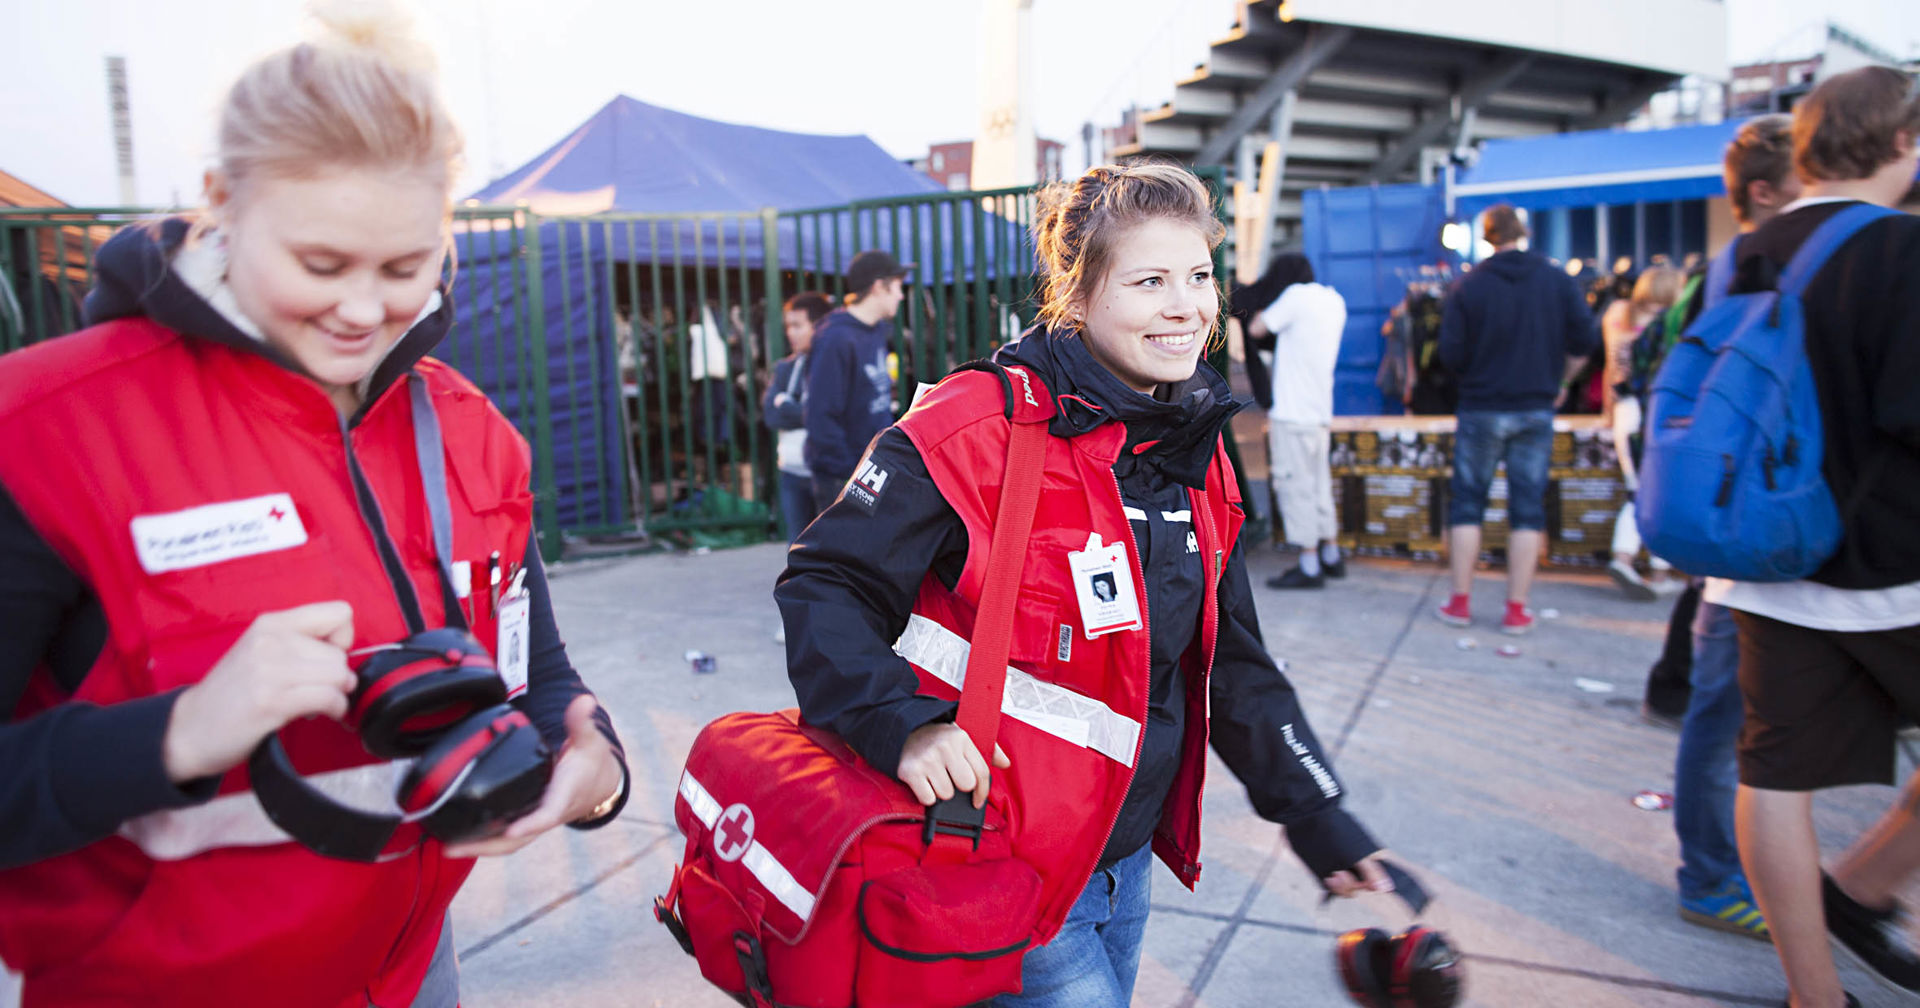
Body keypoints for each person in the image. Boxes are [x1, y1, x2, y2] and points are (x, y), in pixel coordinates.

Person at [0, 8, 629, 1005]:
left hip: (417, 972)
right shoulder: (44, 429)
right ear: (221, 203)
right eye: (321, 265)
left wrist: (597, 770)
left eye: (405, 266)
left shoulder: (471, 435)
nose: (363, 311)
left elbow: (538, 675)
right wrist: (178, 733)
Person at [776, 161, 1392, 1008]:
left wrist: (1317, 813)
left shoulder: (1199, 453)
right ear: (1079, 291)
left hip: (1123, 865)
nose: (1188, 307)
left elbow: (1230, 660)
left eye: (1200, 276)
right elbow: (823, 584)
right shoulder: (973, 428)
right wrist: (904, 728)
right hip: (996, 864)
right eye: (1150, 281)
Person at [1704, 68, 1920, 1008]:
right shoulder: (1902, 251)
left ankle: (1814, 993)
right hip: (1892, 566)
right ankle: (1864, 886)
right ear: (1902, 142)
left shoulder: (1754, 249)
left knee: (1775, 776)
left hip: (1766, 565)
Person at [1666, 112, 1802, 945]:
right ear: (1764, 189)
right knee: (1722, 717)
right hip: (1747, 531)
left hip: (1742, 527)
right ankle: (1712, 873)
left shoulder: (1739, 268)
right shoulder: (1755, 266)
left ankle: (1731, 870)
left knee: (1735, 718)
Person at [1435, 204, 1595, 634]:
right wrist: (1562, 381)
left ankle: (1461, 602)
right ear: (1522, 231)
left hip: (1481, 406)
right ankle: (1516, 609)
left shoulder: (1468, 286)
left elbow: (1449, 355)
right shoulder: (1556, 279)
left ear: (1487, 236)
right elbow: (1586, 339)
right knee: (1527, 508)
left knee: (1469, 503)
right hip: (1535, 405)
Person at [1243, 253, 1348, 589]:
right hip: (1319, 413)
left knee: (1294, 485)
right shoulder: (1334, 301)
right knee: (1318, 484)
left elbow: (1258, 327)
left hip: (1291, 413)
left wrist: (1260, 304)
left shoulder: (1294, 298)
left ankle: (1309, 563)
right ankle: (1330, 554)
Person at [1600, 265, 1684, 600]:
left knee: (1637, 487)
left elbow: (1611, 366)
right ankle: (1655, 569)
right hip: (1656, 410)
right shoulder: (1670, 323)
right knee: (1659, 489)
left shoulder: (1617, 313)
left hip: (1623, 407)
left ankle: (1628, 558)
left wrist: (1607, 410)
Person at [803, 249, 910, 508]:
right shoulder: (835, 338)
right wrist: (848, 474)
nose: (901, 295)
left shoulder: (873, 331)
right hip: (845, 476)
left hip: (870, 470)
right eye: (896, 286)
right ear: (877, 287)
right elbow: (821, 415)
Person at [763, 291, 833, 541]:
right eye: (788, 326)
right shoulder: (786, 368)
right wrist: (804, 412)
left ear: (818, 326)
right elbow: (771, 415)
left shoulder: (834, 367)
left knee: (832, 547)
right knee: (797, 550)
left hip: (826, 472)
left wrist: (788, 405)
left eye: (797, 325)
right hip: (791, 472)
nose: (790, 332)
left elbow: (829, 416)